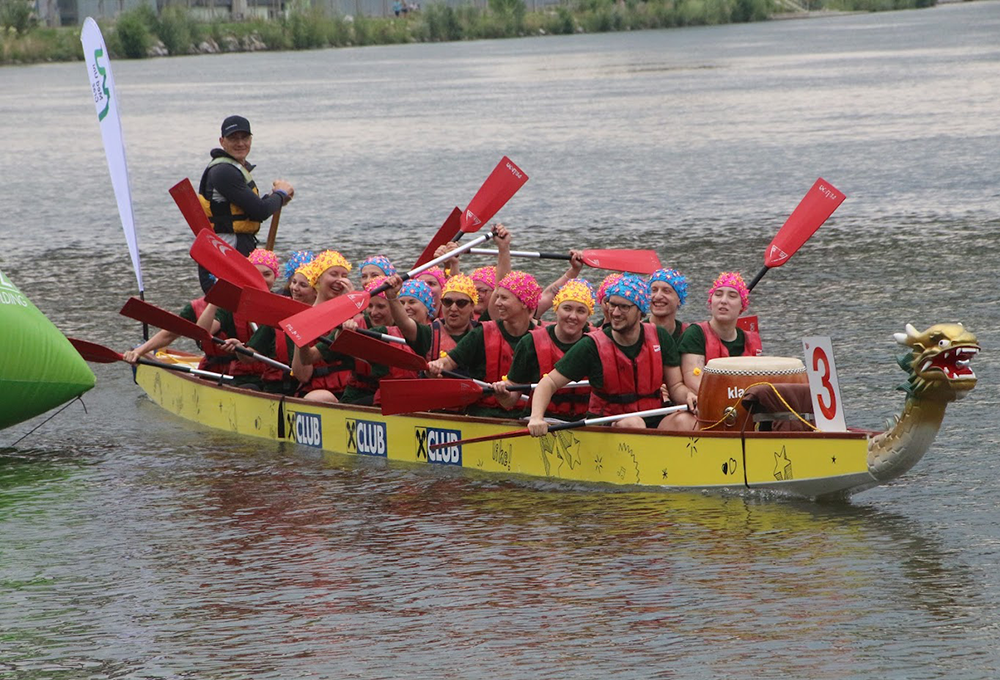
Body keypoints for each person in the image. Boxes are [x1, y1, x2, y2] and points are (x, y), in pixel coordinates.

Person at [526, 274, 697, 435]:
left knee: (687, 420)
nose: (615, 313)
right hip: (608, 422)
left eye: (624, 307)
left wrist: (688, 396)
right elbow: (548, 383)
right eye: (612, 305)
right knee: (634, 423)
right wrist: (536, 418)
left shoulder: (660, 337)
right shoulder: (592, 345)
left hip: (654, 417)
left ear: (640, 311)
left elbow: (675, 386)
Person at [197, 115, 295, 293]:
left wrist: (277, 198)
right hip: (225, 252)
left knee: (253, 297)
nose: (240, 143)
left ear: (251, 140)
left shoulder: (234, 169)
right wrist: (280, 194)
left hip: (239, 247)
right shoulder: (223, 171)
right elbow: (260, 211)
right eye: (233, 138)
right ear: (222, 141)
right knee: (236, 302)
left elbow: (253, 207)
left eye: (244, 138)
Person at [426, 270, 541, 418]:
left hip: (529, 417)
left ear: (524, 303)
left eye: (504, 298)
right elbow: (448, 362)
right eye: (497, 297)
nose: (497, 303)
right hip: (483, 414)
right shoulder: (481, 333)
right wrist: (436, 366)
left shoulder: (541, 337)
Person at [494, 278, 595, 420]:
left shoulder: (597, 343)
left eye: (581, 311)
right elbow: (509, 401)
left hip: (584, 422)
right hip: (540, 421)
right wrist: (503, 394)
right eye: (567, 308)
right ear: (556, 309)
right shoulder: (529, 343)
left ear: (588, 315)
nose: (573, 316)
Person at [199, 249, 280, 386]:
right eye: (255, 274)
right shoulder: (234, 305)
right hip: (244, 377)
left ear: (275, 277)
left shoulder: (280, 305)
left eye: (267, 274)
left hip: (275, 378)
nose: (261, 279)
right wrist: (216, 297)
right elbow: (202, 332)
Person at [679, 271, 763, 394]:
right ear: (711, 302)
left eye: (732, 296)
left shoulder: (751, 340)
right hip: (711, 402)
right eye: (718, 295)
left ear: (742, 306)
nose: (723, 301)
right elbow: (694, 383)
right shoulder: (694, 334)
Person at [290, 251, 357, 402]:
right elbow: (303, 375)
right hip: (316, 391)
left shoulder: (355, 316)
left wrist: (354, 304)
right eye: (334, 274)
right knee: (321, 397)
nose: (340, 280)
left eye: (344, 276)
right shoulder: (304, 318)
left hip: (350, 390)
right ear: (318, 278)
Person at [390, 273, 478, 362]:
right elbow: (404, 323)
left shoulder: (481, 333)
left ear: (472, 306)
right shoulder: (429, 334)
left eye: (461, 303)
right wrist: (392, 297)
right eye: (447, 302)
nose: (453, 308)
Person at [648, 268, 688, 340]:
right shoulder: (636, 332)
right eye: (654, 290)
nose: (658, 296)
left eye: (666, 291)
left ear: (679, 299)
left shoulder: (688, 335)